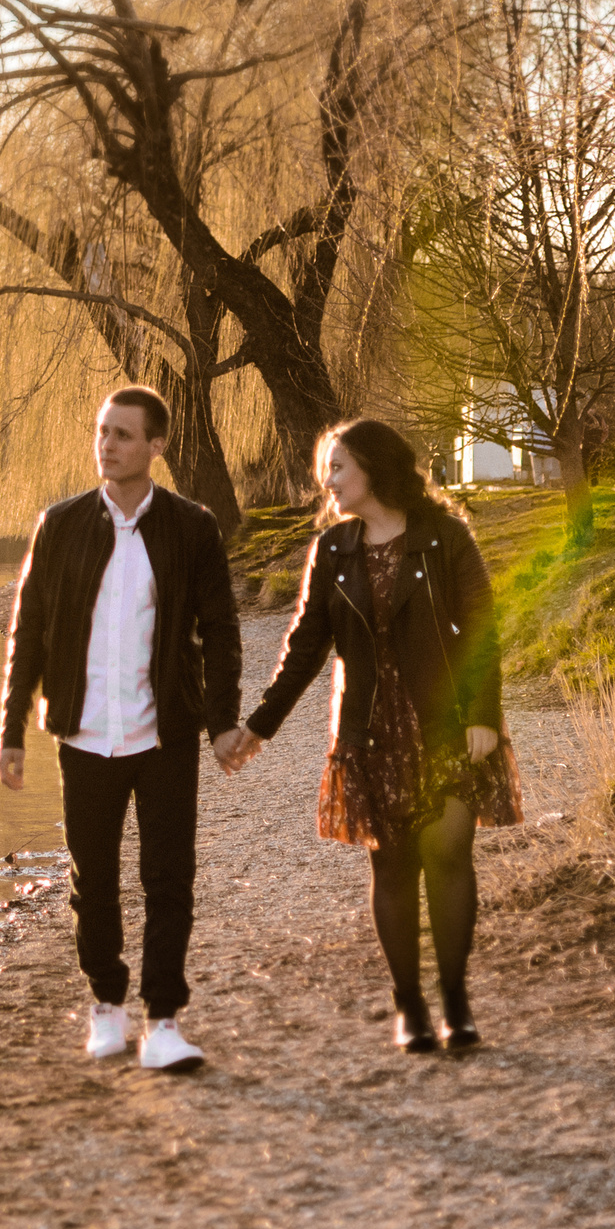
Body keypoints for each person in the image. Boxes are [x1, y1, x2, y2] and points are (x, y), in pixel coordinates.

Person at [214, 420, 521, 1052]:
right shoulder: (333, 551)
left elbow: (483, 629)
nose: (327, 482)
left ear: (373, 470)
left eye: (337, 468)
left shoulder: (443, 538)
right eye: (327, 469)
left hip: (446, 723)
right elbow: (303, 651)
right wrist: (257, 727)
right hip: (371, 731)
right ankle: (409, 1004)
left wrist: (483, 714)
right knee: (395, 864)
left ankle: (456, 1002)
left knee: (447, 853)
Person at [0, 386, 243, 1071]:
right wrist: (10, 729)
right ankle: (106, 1003)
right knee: (92, 877)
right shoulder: (61, 523)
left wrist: (223, 721)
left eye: (124, 434)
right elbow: (30, 632)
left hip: (164, 734)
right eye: (103, 431)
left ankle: (163, 1021)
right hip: (85, 734)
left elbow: (220, 630)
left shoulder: (192, 528)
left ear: (156, 446)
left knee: (169, 877)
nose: (108, 444)